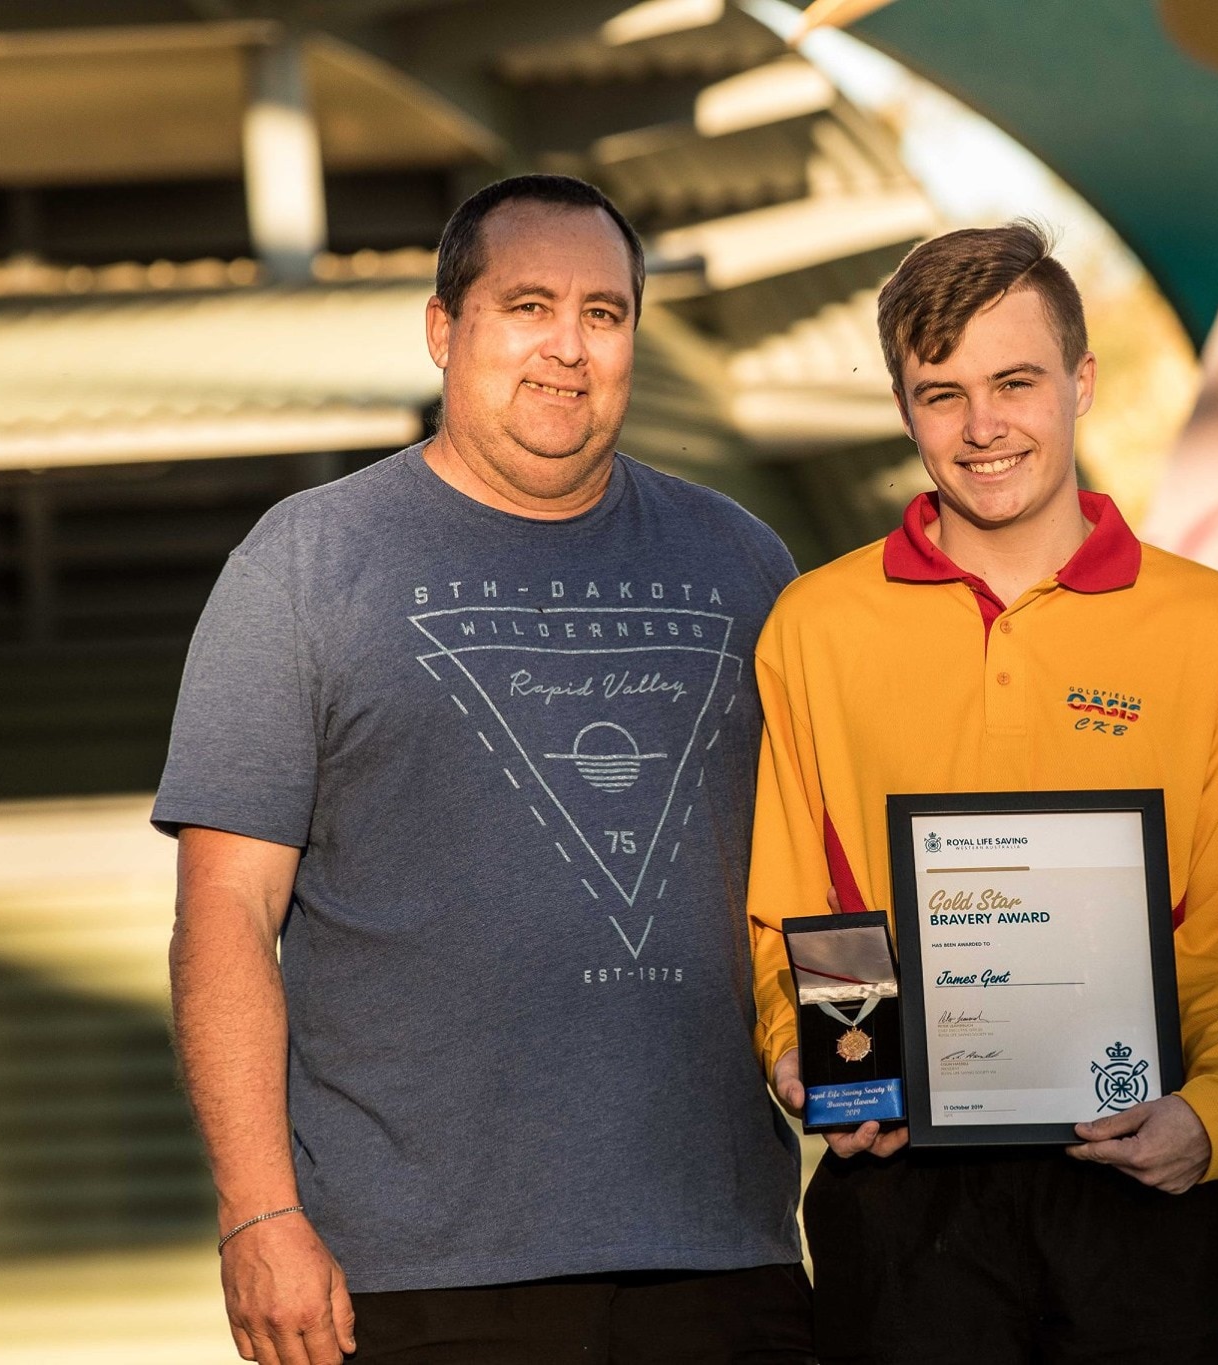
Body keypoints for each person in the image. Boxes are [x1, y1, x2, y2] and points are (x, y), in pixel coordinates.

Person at [154, 174, 812, 1365]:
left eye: (604, 315)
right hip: (411, 1280)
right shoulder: (306, 567)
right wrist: (258, 1213)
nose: (568, 348)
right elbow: (226, 913)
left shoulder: (742, 562)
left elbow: (818, 870)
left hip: (721, 1259)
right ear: (443, 328)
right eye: (528, 305)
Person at [744, 221, 1218, 1365]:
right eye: (940, 393)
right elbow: (802, 910)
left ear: (1080, 383)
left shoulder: (1214, 630)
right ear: (903, 409)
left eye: (1014, 382)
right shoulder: (817, 625)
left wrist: (1215, 1112)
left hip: (1147, 1182)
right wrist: (819, 1062)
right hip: (902, 1194)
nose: (982, 426)